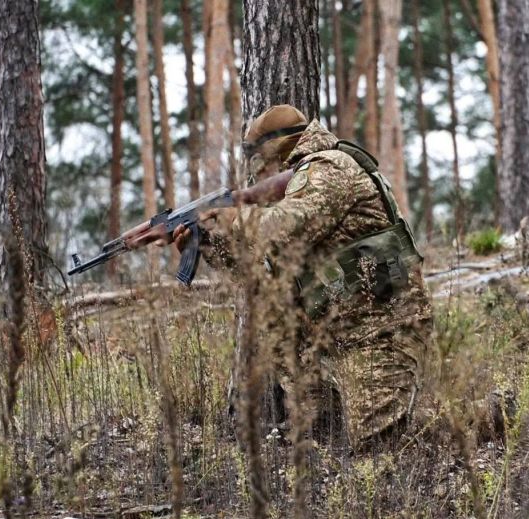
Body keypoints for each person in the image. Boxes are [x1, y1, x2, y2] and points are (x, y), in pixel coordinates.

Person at [165, 105, 433, 450]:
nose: (258, 169)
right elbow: (263, 274)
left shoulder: (330, 168)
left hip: (383, 327)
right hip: (340, 322)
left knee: (377, 450)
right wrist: (208, 245)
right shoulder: (304, 180)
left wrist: (228, 217)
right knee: (278, 318)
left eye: (261, 157)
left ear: (279, 149)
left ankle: (479, 418)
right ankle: (322, 427)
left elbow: (281, 229)